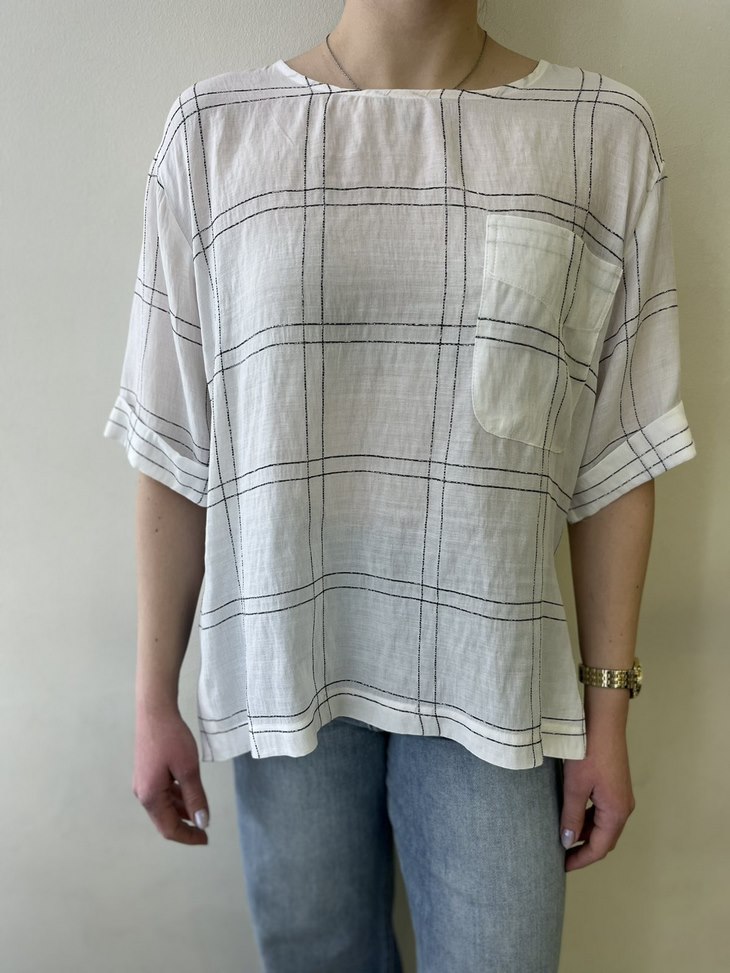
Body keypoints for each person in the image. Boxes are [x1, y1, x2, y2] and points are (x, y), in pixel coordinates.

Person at [104, 1, 696, 970]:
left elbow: (617, 456)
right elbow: (174, 445)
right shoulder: (217, 131)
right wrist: (152, 702)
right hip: (284, 665)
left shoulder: (598, 133)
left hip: (493, 676)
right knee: (316, 955)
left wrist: (608, 714)